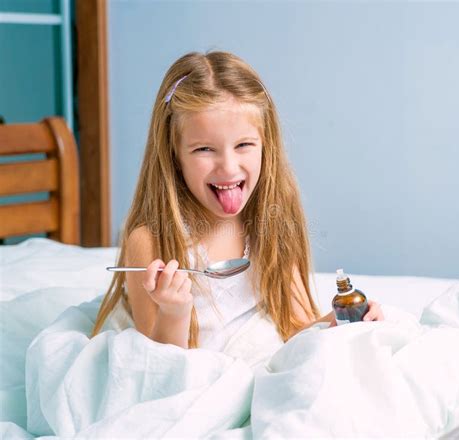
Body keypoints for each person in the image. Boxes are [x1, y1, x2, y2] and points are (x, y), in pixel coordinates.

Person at [91, 50, 383, 349]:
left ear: (265, 146)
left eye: (243, 144)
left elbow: (297, 328)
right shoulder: (150, 241)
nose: (228, 167)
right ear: (173, 155)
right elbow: (157, 364)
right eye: (204, 149)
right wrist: (174, 312)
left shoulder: (273, 224)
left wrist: (342, 321)